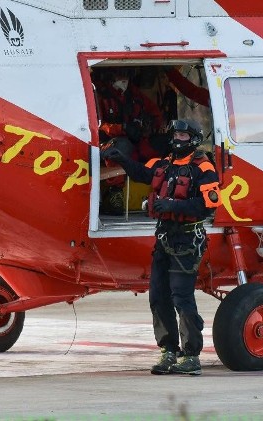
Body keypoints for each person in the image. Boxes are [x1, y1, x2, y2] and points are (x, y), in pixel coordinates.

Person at [101, 119, 222, 376]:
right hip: (164, 240)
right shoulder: (164, 164)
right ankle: (168, 351)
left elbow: (208, 205)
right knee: (157, 296)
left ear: (193, 140)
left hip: (187, 241)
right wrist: (121, 158)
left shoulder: (204, 167)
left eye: (182, 134)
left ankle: (191, 356)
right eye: (175, 134)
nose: (177, 138)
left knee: (182, 297)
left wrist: (174, 207)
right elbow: (141, 173)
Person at [97, 68, 166, 214]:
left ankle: (165, 190)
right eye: (119, 74)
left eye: (126, 75)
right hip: (106, 144)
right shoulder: (99, 95)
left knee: (162, 144)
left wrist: (154, 126)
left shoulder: (133, 94)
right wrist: (122, 128)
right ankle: (114, 194)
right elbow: (97, 125)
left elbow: (154, 111)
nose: (124, 79)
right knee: (121, 147)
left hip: (136, 142)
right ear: (110, 75)